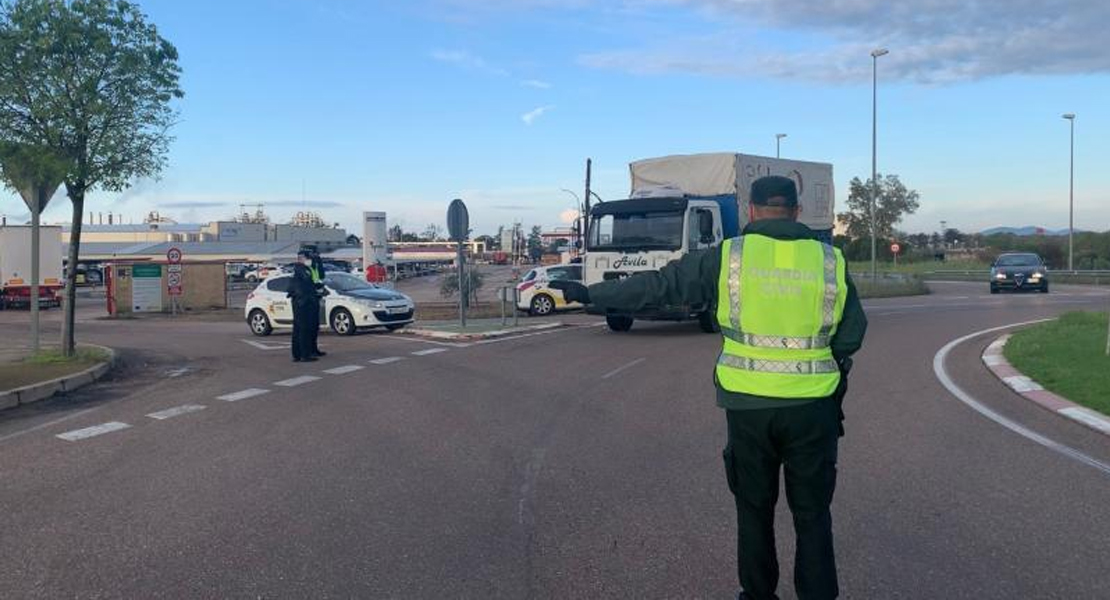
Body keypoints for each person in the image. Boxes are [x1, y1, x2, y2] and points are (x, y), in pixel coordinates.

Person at [552, 176, 867, 600]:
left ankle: (757, 596)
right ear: (796, 212)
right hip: (813, 408)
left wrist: (593, 292)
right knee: (812, 515)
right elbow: (852, 333)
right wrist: (827, 366)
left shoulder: (728, 256)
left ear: (751, 211)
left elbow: (660, 285)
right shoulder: (830, 260)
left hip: (747, 408)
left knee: (754, 511)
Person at [288, 250, 319, 363]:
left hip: (300, 301)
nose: (310, 260)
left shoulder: (300, 269)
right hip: (302, 302)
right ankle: (304, 355)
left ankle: (297, 354)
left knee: (298, 329)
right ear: (302, 258)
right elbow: (305, 285)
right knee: (303, 329)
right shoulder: (301, 270)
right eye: (308, 258)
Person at [308, 251, 327, 357]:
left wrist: (319, 263)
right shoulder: (306, 269)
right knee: (309, 327)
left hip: (316, 298)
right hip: (308, 299)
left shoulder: (315, 267)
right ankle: (309, 350)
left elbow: (321, 275)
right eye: (314, 256)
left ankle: (314, 349)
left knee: (315, 326)